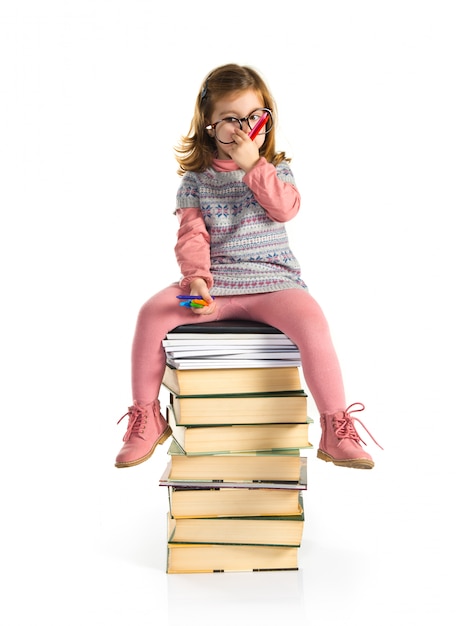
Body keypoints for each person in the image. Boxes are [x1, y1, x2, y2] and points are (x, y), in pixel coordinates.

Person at [115, 63, 382, 470]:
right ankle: (147, 417)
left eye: (253, 118)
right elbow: (192, 236)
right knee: (152, 313)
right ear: (209, 124)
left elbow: (285, 208)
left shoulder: (277, 170)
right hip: (214, 289)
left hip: (275, 284)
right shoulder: (195, 181)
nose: (242, 130)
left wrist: (253, 165)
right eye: (230, 120)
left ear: (266, 118)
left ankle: (335, 425)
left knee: (312, 323)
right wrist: (197, 282)